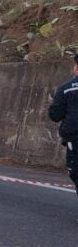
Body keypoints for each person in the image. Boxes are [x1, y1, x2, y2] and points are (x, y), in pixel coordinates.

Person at [49, 55, 78, 199]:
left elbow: (55, 115)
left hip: (75, 137)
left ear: (76, 67)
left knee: (76, 172)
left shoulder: (66, 88)